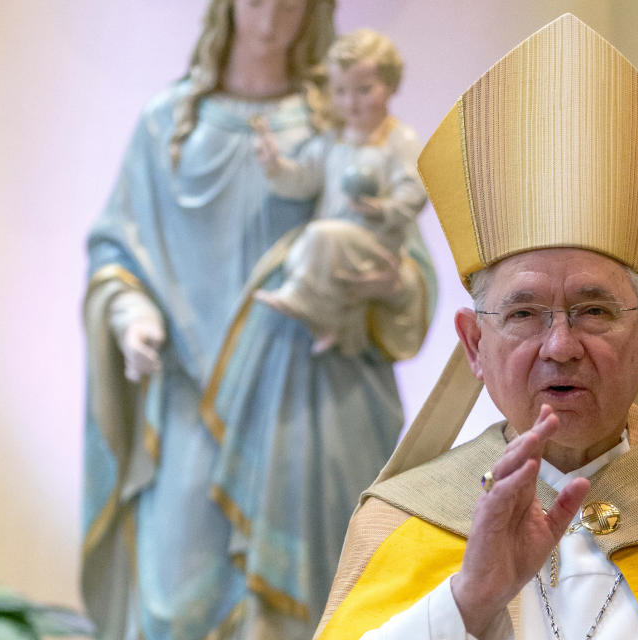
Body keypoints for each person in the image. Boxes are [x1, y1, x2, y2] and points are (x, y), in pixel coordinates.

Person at [314, 14, 638, 639]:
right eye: (522, 315)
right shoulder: (403, 520)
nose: (561, 346)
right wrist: (468, 601)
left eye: (594, 311)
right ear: (473, 344)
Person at [81, 1, 435, 638]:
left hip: (310, 401)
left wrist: (394, 284)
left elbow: (399, 249)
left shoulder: (340, 119)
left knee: (322, 599)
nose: (272, 15)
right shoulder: (169, 126)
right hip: (193, 396)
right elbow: (116, 247)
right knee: (177, 600)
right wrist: (131, 313)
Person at [253, 29, 428, 356]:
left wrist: (384, 208)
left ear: (390, 86)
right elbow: (303, 178)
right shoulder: (331, 141)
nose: (351, 102)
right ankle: (327, 322)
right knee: (307, 245)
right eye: (340, 91)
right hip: (335, 241)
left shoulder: (398, 140)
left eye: (364, 90)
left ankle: (301, 299)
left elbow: (415, 189)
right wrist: (275, 165)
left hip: (375, 243)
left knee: (319, 236)